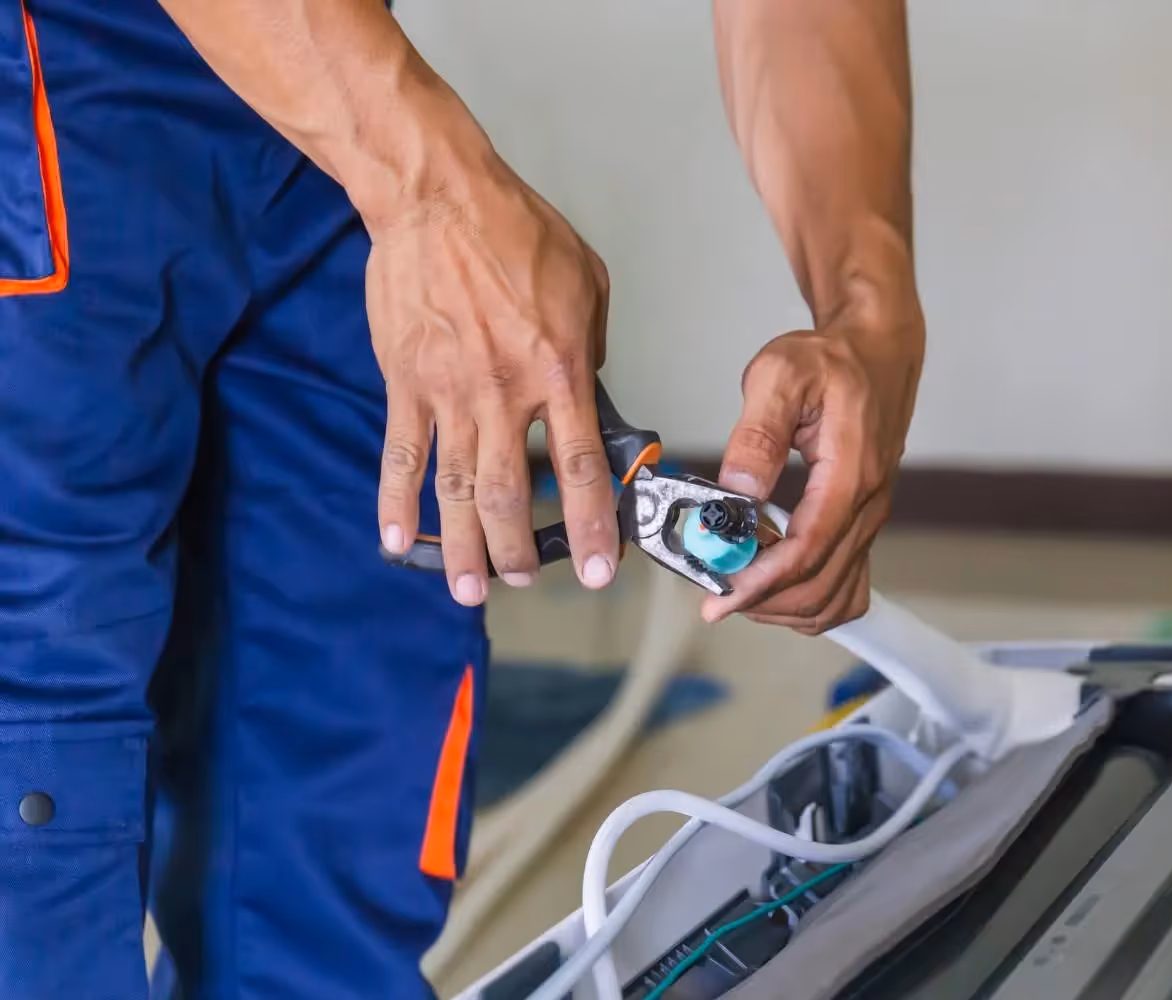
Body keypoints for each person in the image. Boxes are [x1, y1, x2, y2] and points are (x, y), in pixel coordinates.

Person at [0, 0, 924, 997]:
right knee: (39, 772)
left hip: (331, 95)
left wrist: (868, 308)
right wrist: (432, 183)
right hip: (50, 81)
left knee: (343, 755)